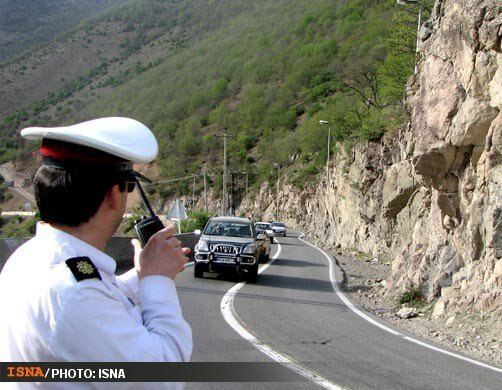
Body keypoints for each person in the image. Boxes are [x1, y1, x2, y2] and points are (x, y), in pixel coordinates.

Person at [0, 117, 192, 388]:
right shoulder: (72, 291)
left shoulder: (30, 257)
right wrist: (157, 281)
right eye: (128, 186)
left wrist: (142, 274)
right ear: (115, 194)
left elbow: (103, 300)